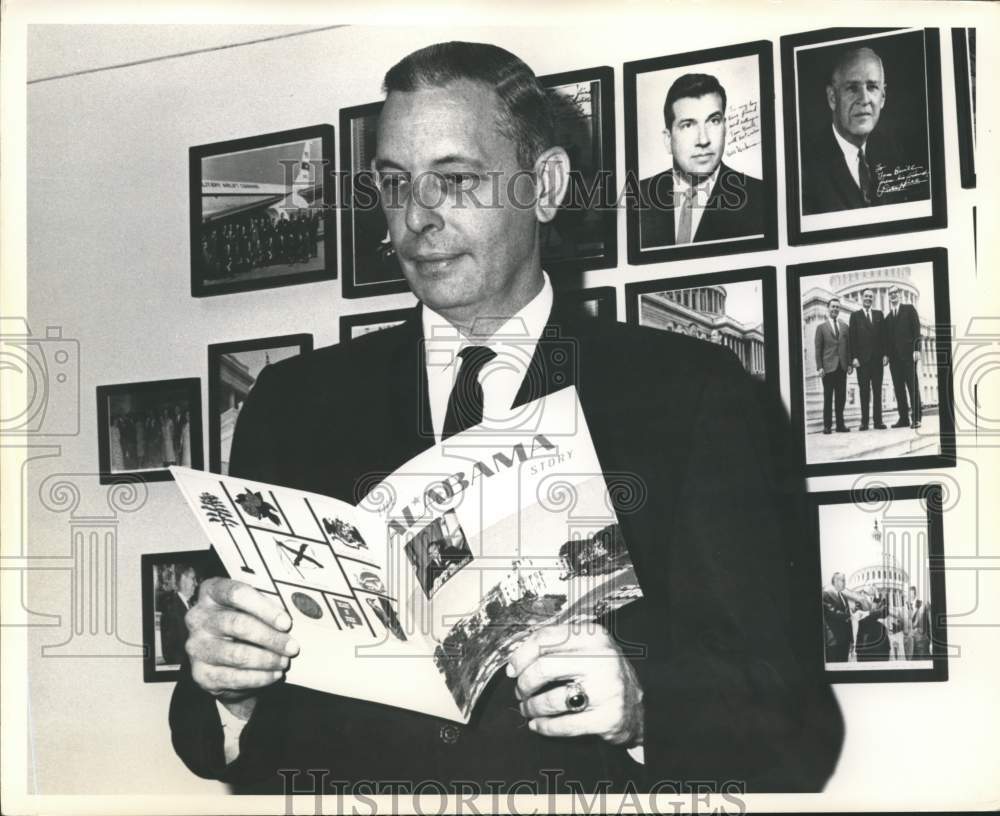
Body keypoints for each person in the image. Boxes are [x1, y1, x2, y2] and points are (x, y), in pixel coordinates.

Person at [170, 41, 842, 795]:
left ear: (546, 185)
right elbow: (203, 734)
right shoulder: (293, 405)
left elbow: (795, 723)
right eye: (394, 184)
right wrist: (230, 688)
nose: (415, 218)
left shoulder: (692, 396)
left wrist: (647, 707)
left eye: (454, 180)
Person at [638, 73, 764, 248]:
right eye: (688, 125)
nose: (703, 140)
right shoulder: (635, 198)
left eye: (713, 121)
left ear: (725, 128)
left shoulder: (763, 199)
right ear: (668, 140)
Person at [801, 46, 892, 214]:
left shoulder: (894, 154)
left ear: (883, 98)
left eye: (872, 87)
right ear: (832, 98)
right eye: (852, 88)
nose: (864, 100)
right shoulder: (804, 168)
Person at [883, 285, 923, 429]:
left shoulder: (909, 309)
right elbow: (886, 340)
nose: (893, 295)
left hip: (908, 356)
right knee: (899, 389)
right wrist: (886, 355)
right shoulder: (887, 318)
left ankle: (917, 419)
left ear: (899, 295)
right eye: (891, 293)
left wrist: (917, 349)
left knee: (912, 387)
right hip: (894, 360)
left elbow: (916, 329)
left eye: (895, 293)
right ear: (888, 297)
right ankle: (904, 419)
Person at [848, 288, 887, 431]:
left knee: (877, 391)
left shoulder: (879, 314)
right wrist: (854, 358)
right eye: (866, 296)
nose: (868, 299)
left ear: (873, 299)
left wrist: (885, 354)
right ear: (862, 298)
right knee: (864, 391)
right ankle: (864, 422)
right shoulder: (855, 316)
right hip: (862, 361)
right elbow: (852, 339)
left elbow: (884, 337)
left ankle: (878, 422)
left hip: (877, 361)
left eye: (870, 296)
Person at [814, 297, 852, 434]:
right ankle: (827, 426)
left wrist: (849, 364)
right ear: (828, 308)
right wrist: (819, 367)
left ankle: (840, 425)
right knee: (828, 397)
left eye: (837, 307)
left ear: (839, 310)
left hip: (842, 367)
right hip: (828, 368)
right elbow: (818, 349)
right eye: (833, 307)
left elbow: (848, 348)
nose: (835, 309)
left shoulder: (845, 327)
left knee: (841, 398)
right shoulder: (821, 328)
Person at [161, 565, 199, 666]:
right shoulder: (171, 608)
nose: (196, 583)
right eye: (193, 578)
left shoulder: (188, 606)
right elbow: (170, 653)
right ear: (183, 578)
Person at [821, 572, 853, 663]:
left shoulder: (844, 597)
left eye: (844, 580)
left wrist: (851, 640)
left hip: (845, 641)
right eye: (843, 580)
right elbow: (832, 612)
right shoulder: (825, 595)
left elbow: (848, 621)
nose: (845, 583)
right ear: (835, 581)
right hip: (833, 642)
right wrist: (850, 615)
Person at [854, 590, 890, 662]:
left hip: (881, 646)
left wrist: (868, 613)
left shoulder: (880, 599)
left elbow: (885, 611)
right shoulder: (860, 600)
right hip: (866, 645)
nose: (872, 586)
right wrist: (876, 613)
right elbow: (862, 619)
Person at [907, 585, 931, 658]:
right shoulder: (907, 606)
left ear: (914, 593)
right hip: (911, 644)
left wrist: (931, 642)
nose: (910, 595)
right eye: (909, 594)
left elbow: (930, 623)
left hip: (922, 642)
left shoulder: (924, 605)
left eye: (911, 593)